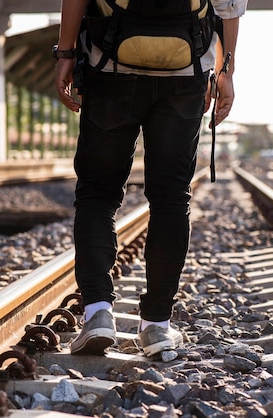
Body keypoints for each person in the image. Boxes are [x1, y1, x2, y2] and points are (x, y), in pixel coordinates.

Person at [54, 0, 246, 357]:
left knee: (97, 193)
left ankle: (97, 313)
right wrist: (225, 73)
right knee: (172, 199)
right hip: (184, 74)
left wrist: (65, 53)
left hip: (109, 67)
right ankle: (157, 326)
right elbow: (229, 8)